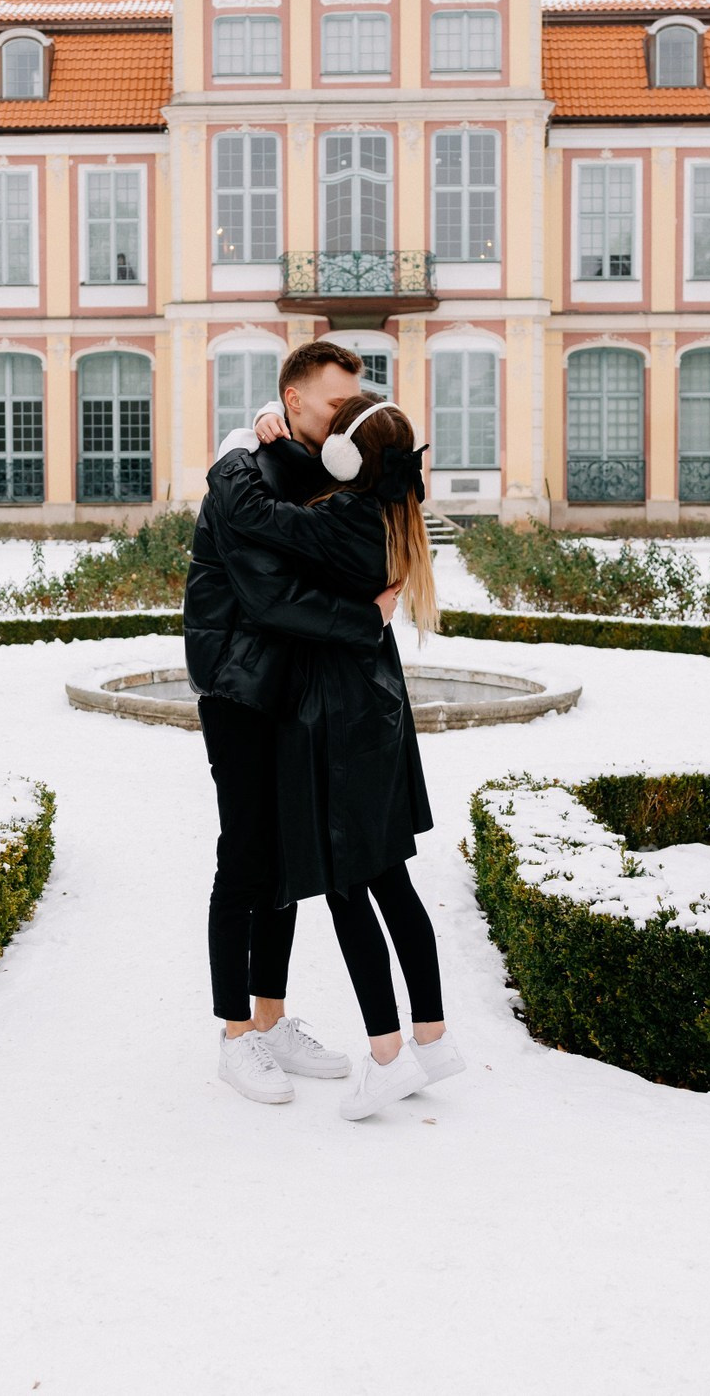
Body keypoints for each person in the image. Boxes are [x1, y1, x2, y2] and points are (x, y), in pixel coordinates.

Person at [203, 395, 461, 1120]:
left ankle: (387, 1057)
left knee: (348, 890)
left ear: (347, 458)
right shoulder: (393, 511)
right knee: (393, 883)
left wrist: (235, 448)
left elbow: (257, 515)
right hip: (376, 715)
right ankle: (433, 1038)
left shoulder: (343, 519)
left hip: (338, 726)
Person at [182, 341, 386, 1105]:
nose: (348, 418)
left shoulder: (307, 468)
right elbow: (271, 599)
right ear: (294, 401)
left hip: (287, 686)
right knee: (245, 857)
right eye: (337, 405)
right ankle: (235, 1033)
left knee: (284, 858)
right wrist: (365, 620)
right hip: (238, 687)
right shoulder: (245, 472)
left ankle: (269, 1018)